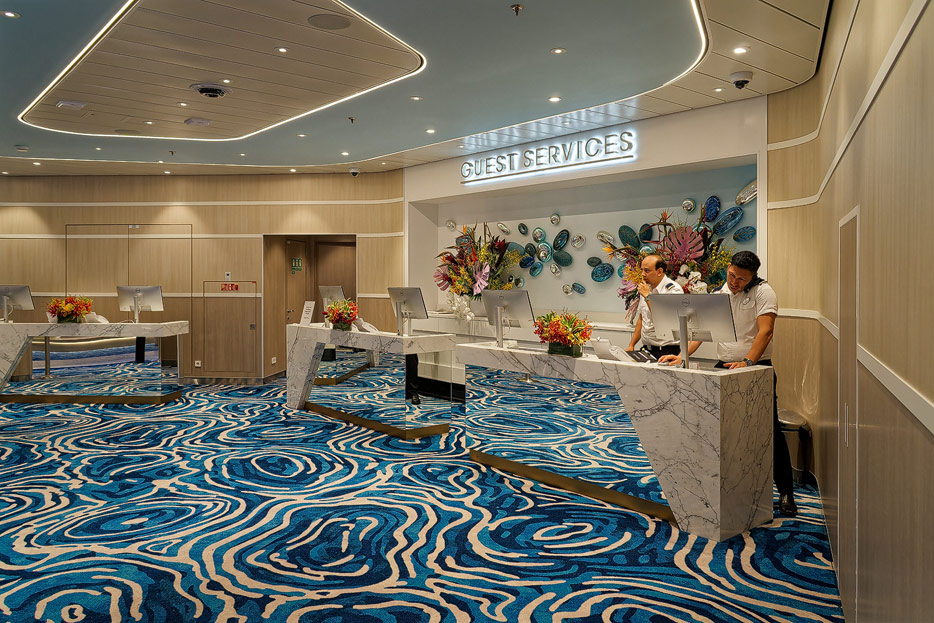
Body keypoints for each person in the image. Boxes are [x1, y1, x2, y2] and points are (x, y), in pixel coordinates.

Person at [658, 250, 797, 516]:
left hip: (756, 368)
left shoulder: (764, 293)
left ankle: (786, 492)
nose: (734, 282)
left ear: (752, 277)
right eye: (732, 275)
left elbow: (766, 331)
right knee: (718, 427)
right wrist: (683, 355)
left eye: (741, 279)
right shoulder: (721, 292)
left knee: (769, 430)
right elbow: (703, 331)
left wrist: (748, 361)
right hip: (724, 366)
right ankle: (723, 486)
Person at [626, 254, 683, 359]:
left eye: (647, 271)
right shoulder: (647, 288)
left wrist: (648, 296)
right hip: (647, 349)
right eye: (642, 270)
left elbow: (664, 317)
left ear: (659, 271)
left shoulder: (673, 289)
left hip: (667, 350)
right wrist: (631, 344)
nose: (643, 274)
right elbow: (642, 318)